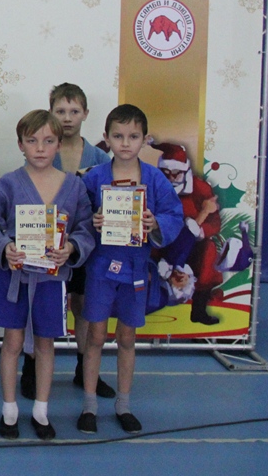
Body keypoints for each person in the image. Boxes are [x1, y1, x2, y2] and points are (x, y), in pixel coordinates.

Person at [0, 110, 95, 441]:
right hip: (16, 278)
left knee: (45, 344)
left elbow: (86, 229)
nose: (40, 148)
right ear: (21, 144)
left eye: (48, 141)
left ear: (59, 144)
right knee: (12, 343)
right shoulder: (8, 183)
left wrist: (71, 247)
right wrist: (4, 248)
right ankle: (9, 409)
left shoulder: (74, 186)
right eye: (32, 141)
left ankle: (41, 410)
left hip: (51, 281)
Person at [78, 104, 183, 435]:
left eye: (133, 136)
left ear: (144, 139)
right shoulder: (94, 177)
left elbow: (174, 214)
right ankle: (89, 406)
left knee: (127, 336)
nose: (125, 143)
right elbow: (77, 216)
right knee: (95, 335)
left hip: (136, 267)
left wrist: (155, 223)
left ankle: (123, 405)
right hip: (101, 267)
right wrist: (92, 221)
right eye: (118, 136)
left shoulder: (154, 179)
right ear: (106, 138)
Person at [20, 83, 114, 400]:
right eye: (60, 111)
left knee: (83, 305)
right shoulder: (43, 151)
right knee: (40, 302)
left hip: (86, 244)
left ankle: (85, 368)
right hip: (46, 246)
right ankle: (31, 366)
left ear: (85, 114)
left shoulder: (100, 157)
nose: (68, 117)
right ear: (50, 112)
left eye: (74, 111)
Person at [151, 141, 222, 325]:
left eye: (176, 173)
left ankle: (198, 310)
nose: (171, 178)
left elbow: (215, 224)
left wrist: (200, 227)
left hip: (193, 246)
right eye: (166, 173)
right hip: (161, 243)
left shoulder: (200, 188)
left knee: (209, 251)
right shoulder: (152, 186)